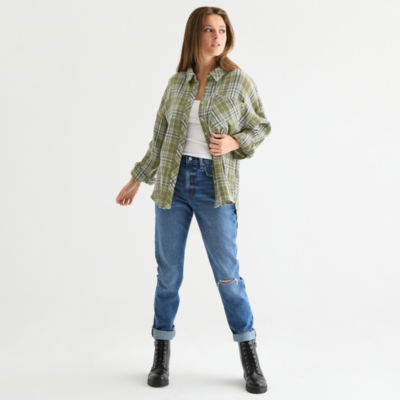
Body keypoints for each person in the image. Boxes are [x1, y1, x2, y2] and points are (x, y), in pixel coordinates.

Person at [115, 6, 271, 394]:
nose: (217, 37)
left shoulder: (238, 81)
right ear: (194, 35)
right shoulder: (176, 84)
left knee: (228, 276)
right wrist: (136, 180)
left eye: (222, 30)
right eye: (209, 30)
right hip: (172, 186)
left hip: (214, 188)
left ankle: (250, 357)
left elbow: (261, 126)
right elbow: (160, 140)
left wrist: (235, 142)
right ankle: (161, 354)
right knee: (168, 274)